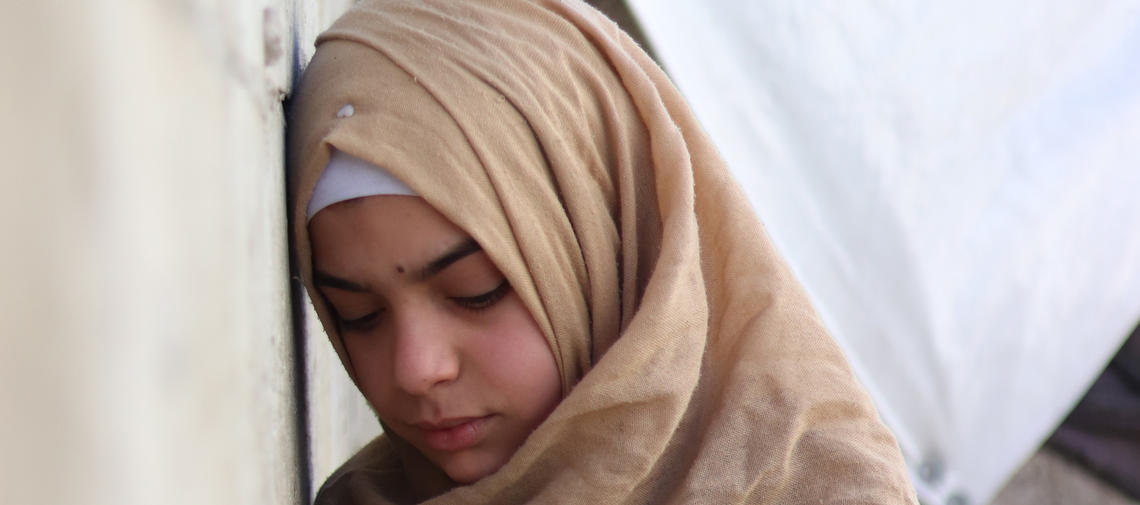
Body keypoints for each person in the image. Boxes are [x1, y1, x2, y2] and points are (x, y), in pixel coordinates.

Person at [288, 1, 918, 503]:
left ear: (604, 245)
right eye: (359, 316)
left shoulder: (811, 485)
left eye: (475, 292)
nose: (416, 369)